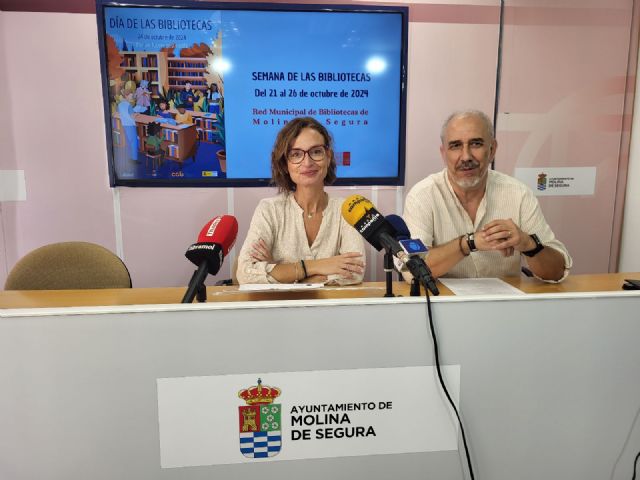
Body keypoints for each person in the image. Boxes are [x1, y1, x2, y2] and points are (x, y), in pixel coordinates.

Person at [403, 110, 572, 281]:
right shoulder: (422, 196)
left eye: (476, 144)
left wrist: (529, 244)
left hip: (504, 298)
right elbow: (411, 270)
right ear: (443, 153)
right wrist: (468, 243)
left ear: (492, 150)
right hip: (441, 298)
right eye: (455, 146)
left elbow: (557, 273)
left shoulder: (519, 194)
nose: (466, 156)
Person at [237, 117, 365, 285]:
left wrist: (281, 271)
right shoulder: (269, 209)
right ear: (285, 164)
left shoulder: (347, 210)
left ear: (328, 157)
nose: (307, 162)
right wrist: (317, 266)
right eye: (296, 154)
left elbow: (354, 272)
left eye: (316, 151)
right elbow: (246, 273)